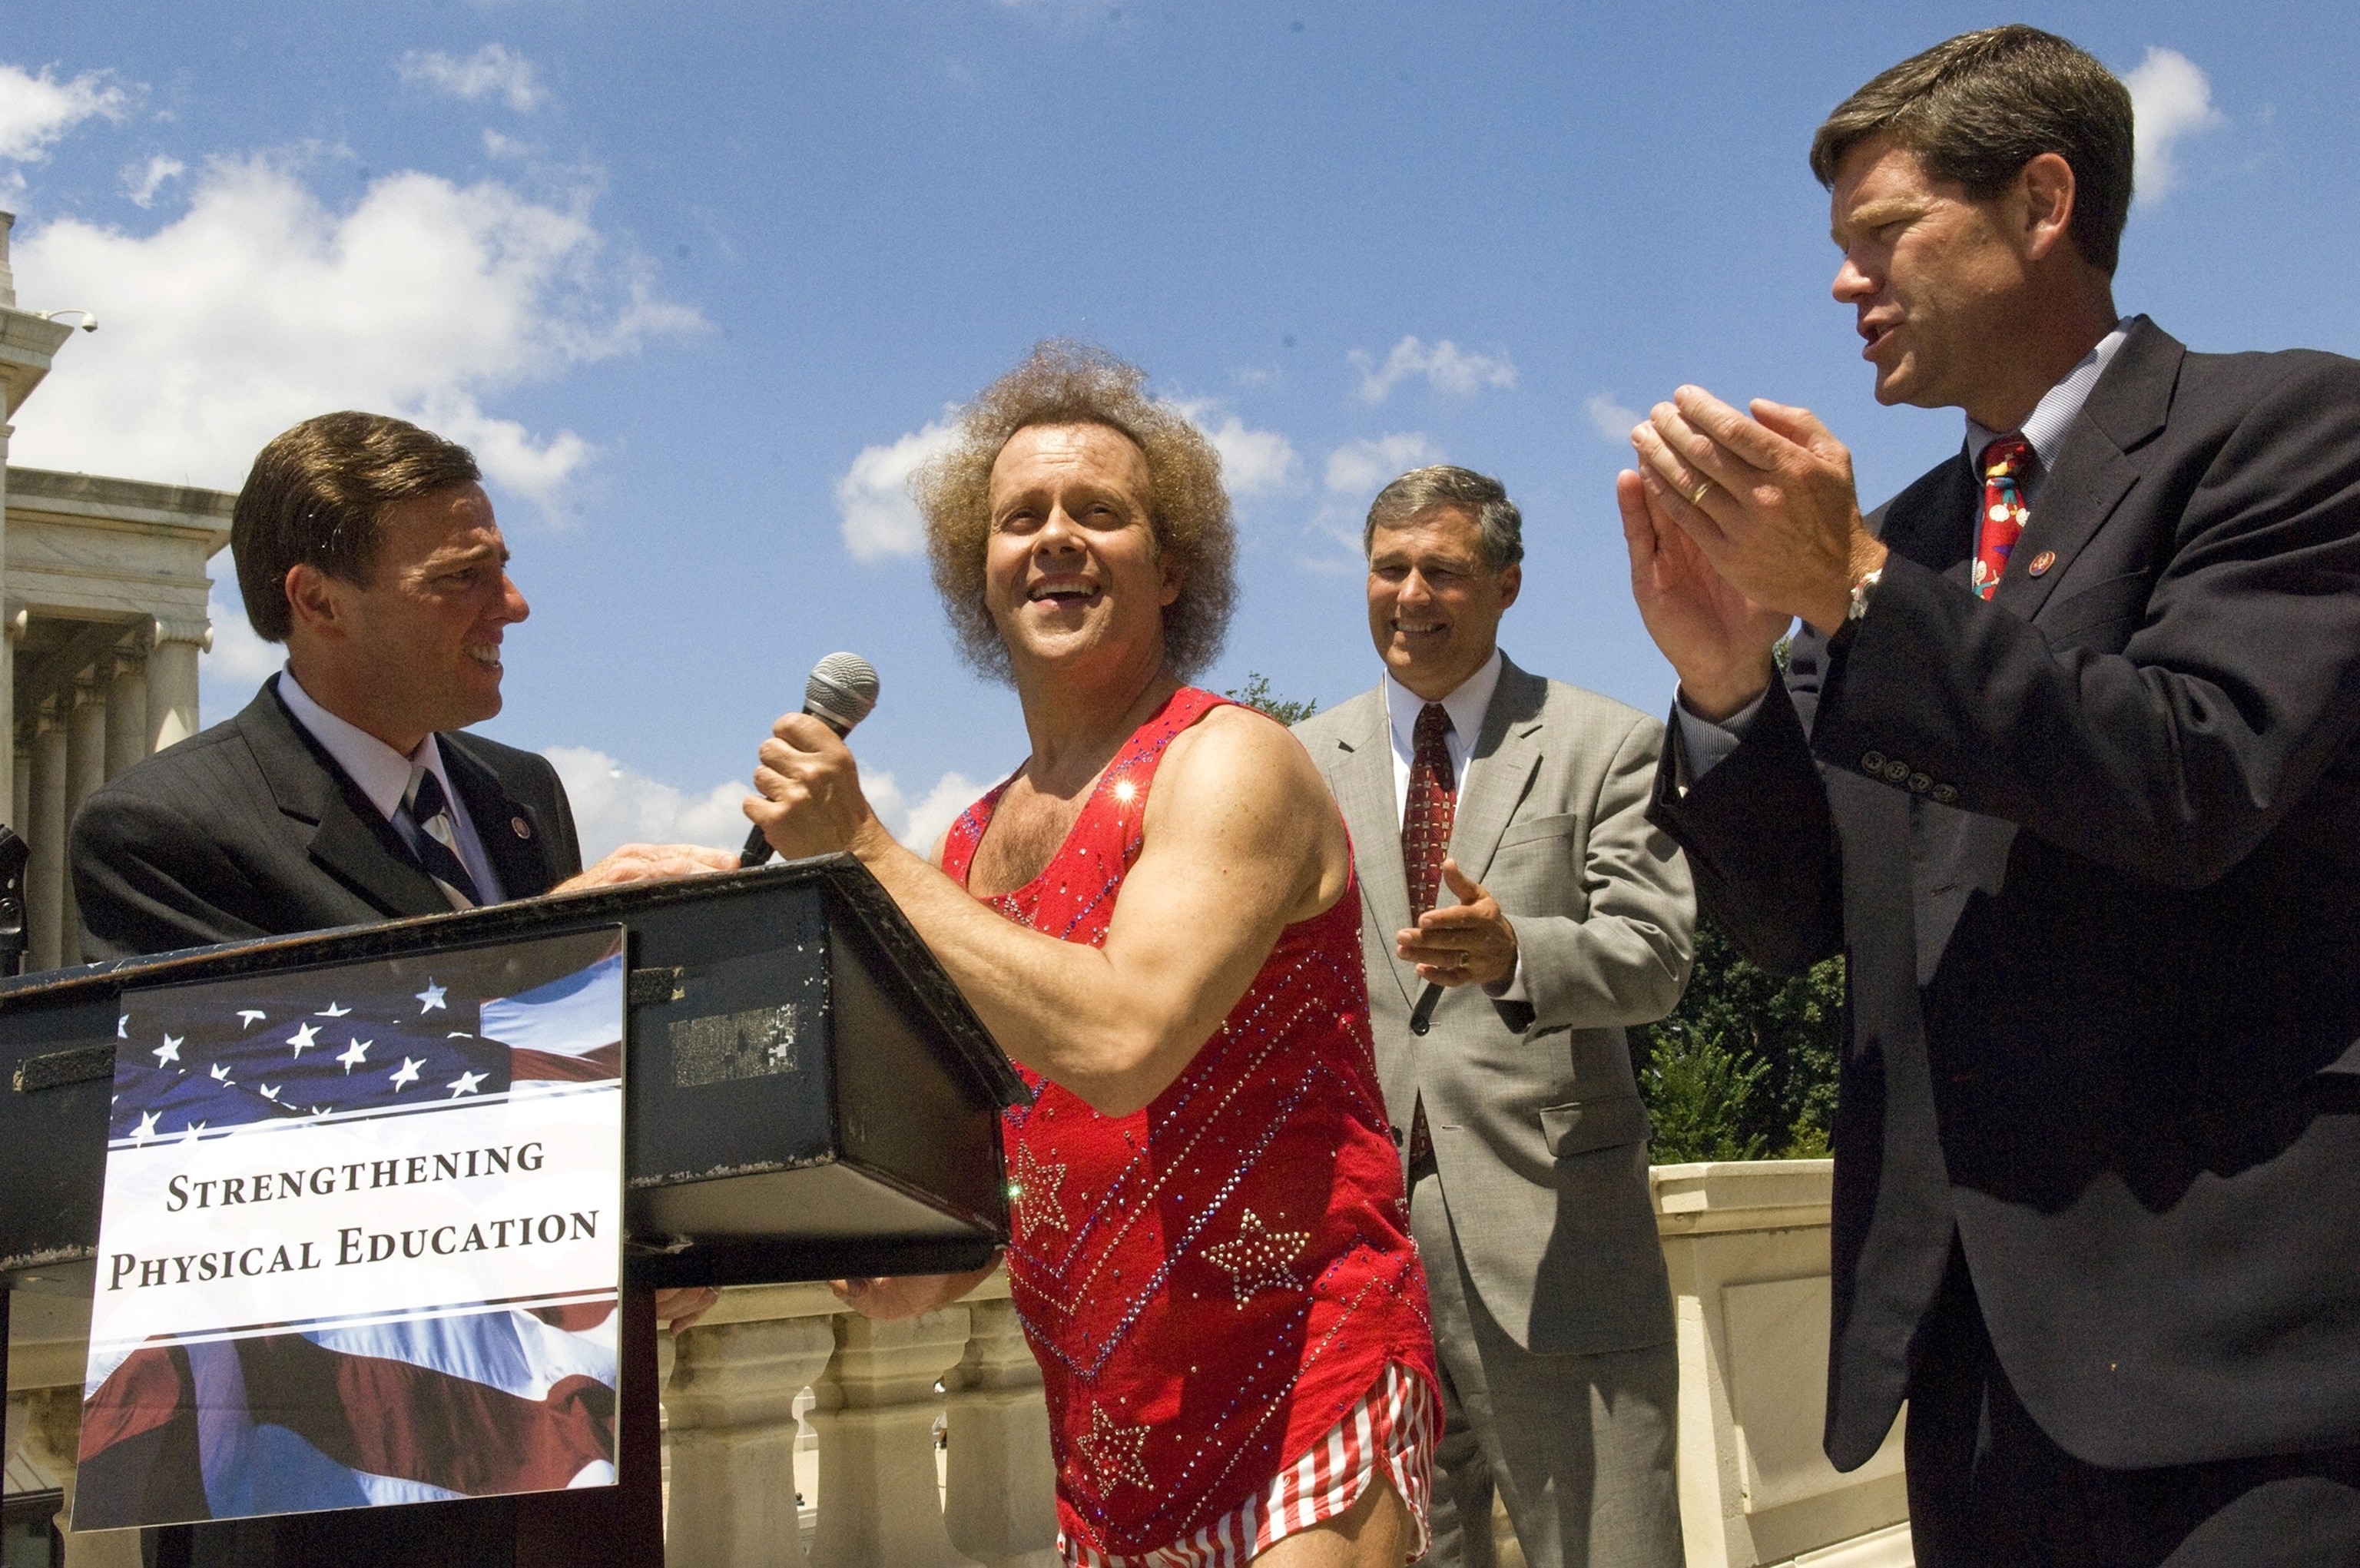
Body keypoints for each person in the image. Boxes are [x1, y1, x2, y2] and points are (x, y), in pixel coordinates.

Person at [1617, 25, 2360, 1566]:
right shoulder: (1894, 544)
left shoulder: (2291, 433)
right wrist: (1727, 691)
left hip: (2244, 1370)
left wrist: (1853, 588)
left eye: (1884, 234)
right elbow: (1792, 921)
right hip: (1966, 1381)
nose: (1845, 283)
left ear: (2040, 200)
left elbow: (2193, 774)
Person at [744, 343, 1437, 1567]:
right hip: (1106, 1441)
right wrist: (926, 1264)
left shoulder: (1231, 761)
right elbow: (1012, 1143)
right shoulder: (968, 843)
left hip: (1306, 1379)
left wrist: (859, 849)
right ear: (983, 574)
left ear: (1173, 569)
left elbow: (1121, 1039)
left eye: (1098, 513)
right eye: (1022, 518)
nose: (1056, 536)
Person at [70, 410, 728, 1567]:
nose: (511, 608)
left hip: (563, 1472)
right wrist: (549, 944)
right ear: (317, 600)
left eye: (506, 570)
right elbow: (256, 1141)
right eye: (462, 579)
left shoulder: (520, 795)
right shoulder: (161, 828)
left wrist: (645, 1229)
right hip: (319, 1487)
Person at [1294, 466, 1692, 1568]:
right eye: (1388, 566)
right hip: (1354, 1255)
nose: (1410, 591)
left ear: (1508, 585)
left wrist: (1521, 952)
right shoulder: (1294, 763)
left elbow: (1656, 958)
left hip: (1555, 1245)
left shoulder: (1605, 742)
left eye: (1444, 569)